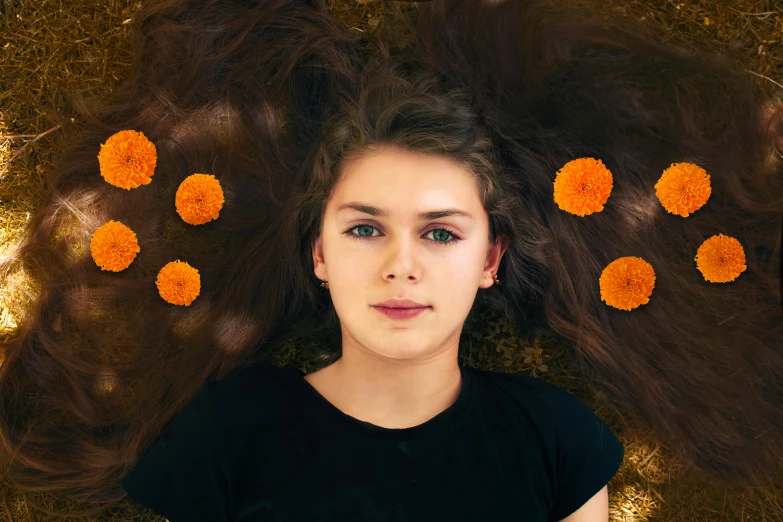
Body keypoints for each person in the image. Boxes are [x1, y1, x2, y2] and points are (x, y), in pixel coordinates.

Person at [0, 0, 780, 520]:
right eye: (364, 229)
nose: (401, 265)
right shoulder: (227, 432)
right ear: (316, 254)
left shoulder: (558, 439)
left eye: (440, 233)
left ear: (490, 259)